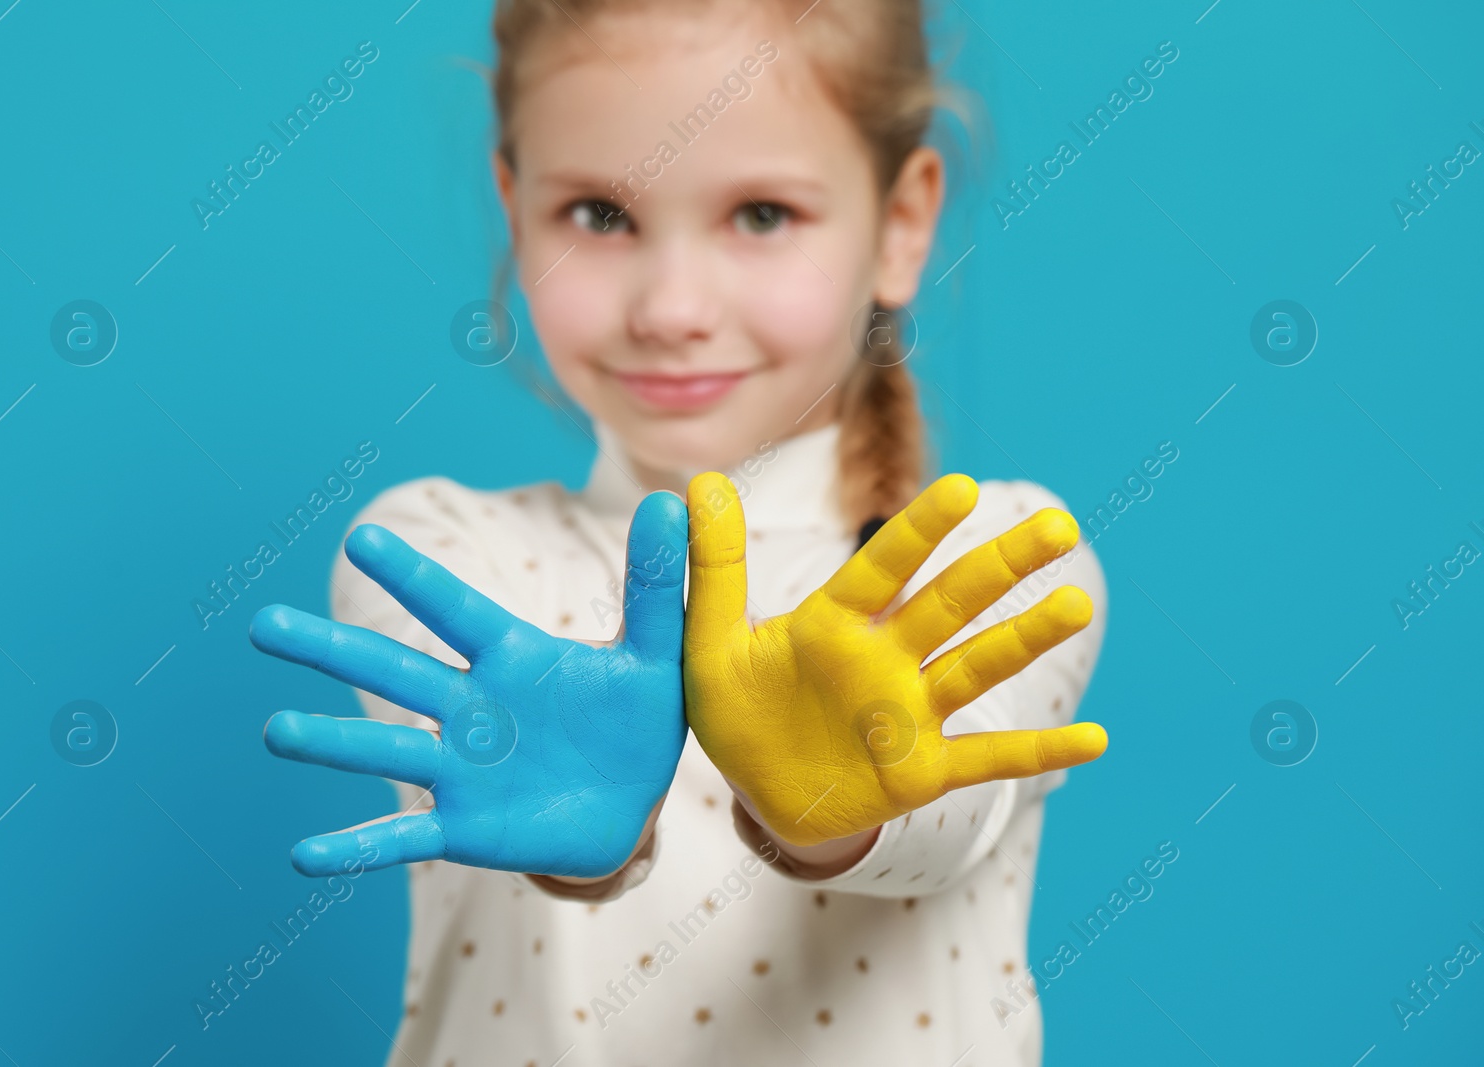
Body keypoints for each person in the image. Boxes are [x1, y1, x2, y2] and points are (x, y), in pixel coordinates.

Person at [249, 1, 1109, 1063]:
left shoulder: (989, 558)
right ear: (512, 209)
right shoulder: (435, 554)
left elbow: (945, 832)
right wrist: (586, 845)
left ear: (900, 223)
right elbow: (527, 827)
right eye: (601, 215)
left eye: (759, 215)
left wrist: (840, 800)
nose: (671, 305)